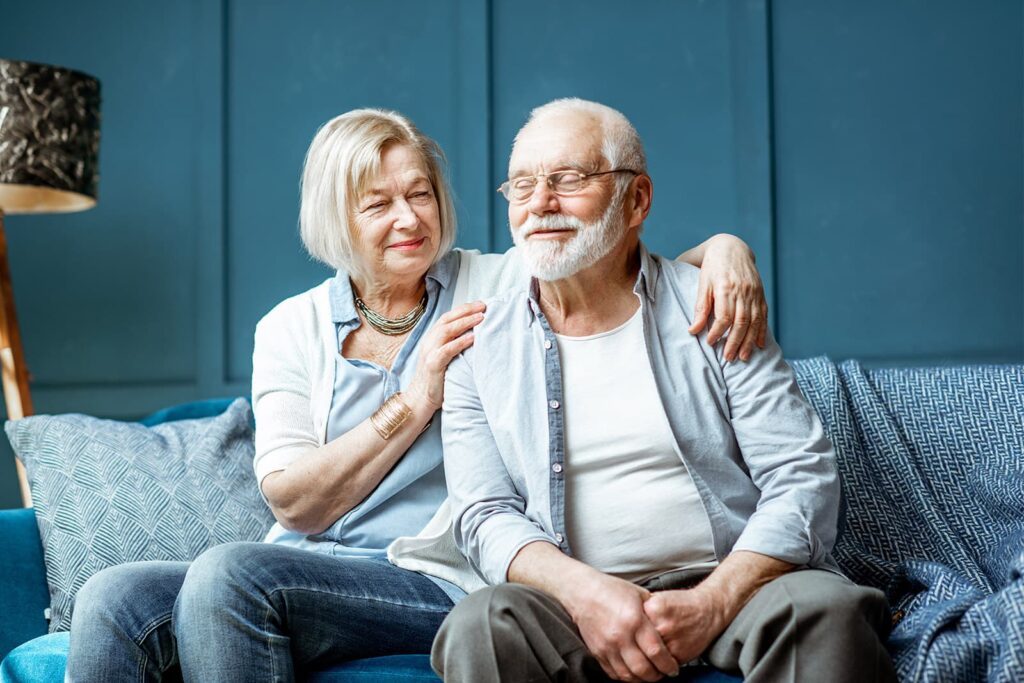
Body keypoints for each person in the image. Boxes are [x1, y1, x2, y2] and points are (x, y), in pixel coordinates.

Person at [66, 107, 769, 681]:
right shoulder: (290, 327)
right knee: (112, 598)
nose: (408, 218)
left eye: (420, 193)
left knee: (230, 575)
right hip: (309, 566)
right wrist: (416, 395)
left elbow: (614, 260)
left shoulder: (494, 282)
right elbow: (294, 501)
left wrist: (725, 249)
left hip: (441, 575)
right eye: (378, 203)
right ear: (336, 220)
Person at [431, 98, 897, 683]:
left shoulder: (714, 305)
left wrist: (714, 603)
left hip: (735, 583)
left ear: (638, 200)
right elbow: (483, 513)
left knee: (826, 610)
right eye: (521, 186)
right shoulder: (480, 346)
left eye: (568, 179)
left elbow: (801, 477)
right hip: (573, 606)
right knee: (483, 624)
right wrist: (589, 596)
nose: (540, 204)